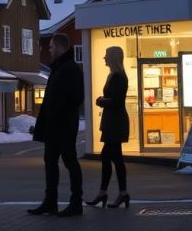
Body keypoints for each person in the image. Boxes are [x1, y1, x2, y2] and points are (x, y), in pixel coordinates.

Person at [28, 33, 84, 217]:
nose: (48, 49)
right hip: (54, 126)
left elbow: (75, 98)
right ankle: (50, 201)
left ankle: (76, 202)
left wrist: (57, 112)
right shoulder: (59, 68)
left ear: (60, 47)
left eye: (51, 46)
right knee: (50, 162)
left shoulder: (70, 69)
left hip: (63, 126)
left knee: (69, 162)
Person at [86, 46, 131, 209]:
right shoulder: (115, 75)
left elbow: (116, 100)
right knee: (112, 157)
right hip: (113, 122)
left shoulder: (118, 76)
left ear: (112, 57)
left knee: (109, 156)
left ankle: (111, 192)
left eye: (106, 55)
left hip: (115, 123)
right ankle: (118, 192)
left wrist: (100, 101)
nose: (103, 58)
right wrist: (104, 100)